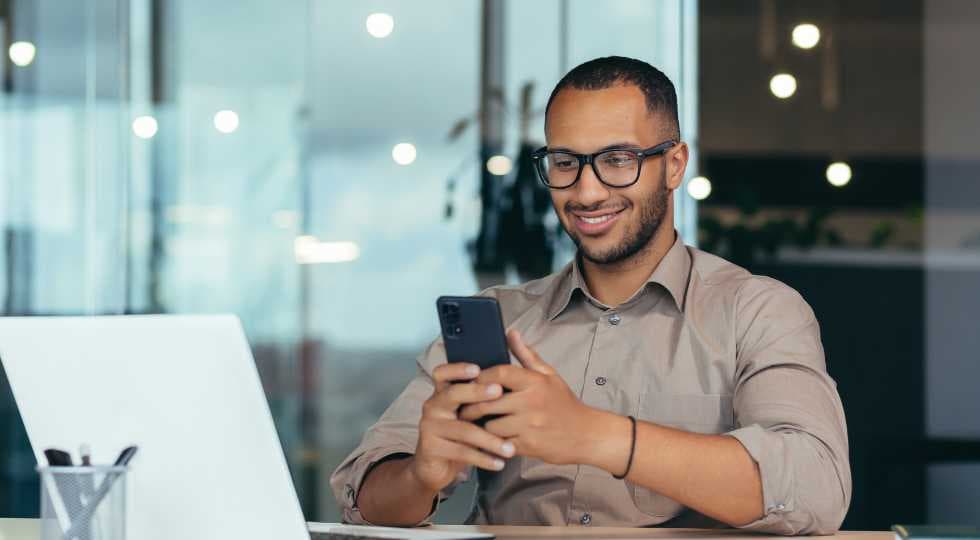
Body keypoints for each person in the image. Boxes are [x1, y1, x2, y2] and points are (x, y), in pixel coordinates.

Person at [330, 56, 851, 535]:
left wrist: (595, 435)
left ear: (673, 164)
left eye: (618, 159)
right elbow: (362, 503)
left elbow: (816, 487)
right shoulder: (500, 318)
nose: (586, 191)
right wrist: (421, 475)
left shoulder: (756, 311)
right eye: (565, 162)